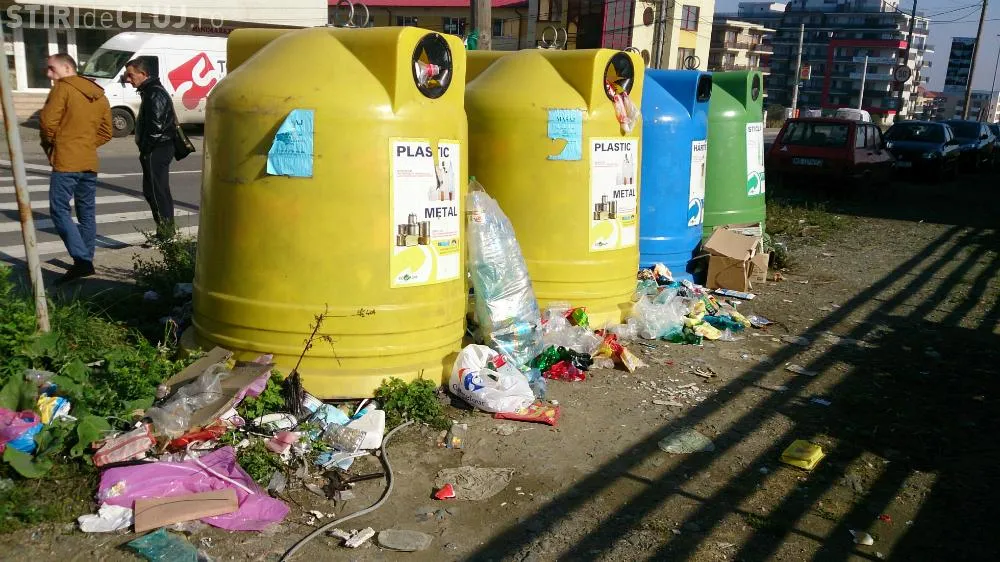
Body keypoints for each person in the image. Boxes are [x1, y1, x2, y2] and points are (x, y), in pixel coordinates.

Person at [39, 53, 113, 284]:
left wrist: (58, 144)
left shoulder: (63, 88)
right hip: (88, 161)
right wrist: (85, 144)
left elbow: (47, 123)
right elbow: (107, 132)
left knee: (59, 209)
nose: (48, 74)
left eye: (52, 68)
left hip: (66, 161)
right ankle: (86, 258)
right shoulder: (99, 94)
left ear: (67, 67)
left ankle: (81, 261)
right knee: (86, 211)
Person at [123, 57, 176, 238]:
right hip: (157, 147)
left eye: (131, 75)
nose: (128, 80)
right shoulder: (150, 91)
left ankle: (166, 235)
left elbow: (156, 128)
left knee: (156, 192)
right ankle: (165, 232)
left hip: (157, 149)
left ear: (143, 73)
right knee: (155, 191)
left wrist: (146, 149)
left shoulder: (154, 93)